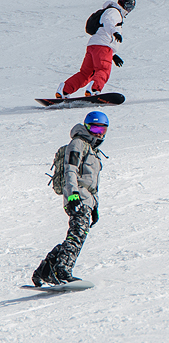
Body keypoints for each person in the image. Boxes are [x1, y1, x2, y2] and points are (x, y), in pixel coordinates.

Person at [32, 111, 109, 286]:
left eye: (102, 130)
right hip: (76, 196)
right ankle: (62, 271)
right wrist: (73, 195)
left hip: (86, 199)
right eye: (95, 128)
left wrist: (94, 207)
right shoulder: (78, 143)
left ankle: (45, 269)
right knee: (77, 234)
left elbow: (91, 183)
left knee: (77, 234)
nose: (98, 133)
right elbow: (70, 170)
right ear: (87, 127)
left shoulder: (93, 150)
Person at [56, 0, 135, 98]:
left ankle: (64, 90)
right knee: (103, 70)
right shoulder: (114, 12)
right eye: (129, 6)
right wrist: (115, 32)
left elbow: (103, 28)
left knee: (86, 73)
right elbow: (108, 22)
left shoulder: (111, 11)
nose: (129, 10)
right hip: (103, 46)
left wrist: (113, 55)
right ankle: (94, 89)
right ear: (124, 4)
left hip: (94, 46)